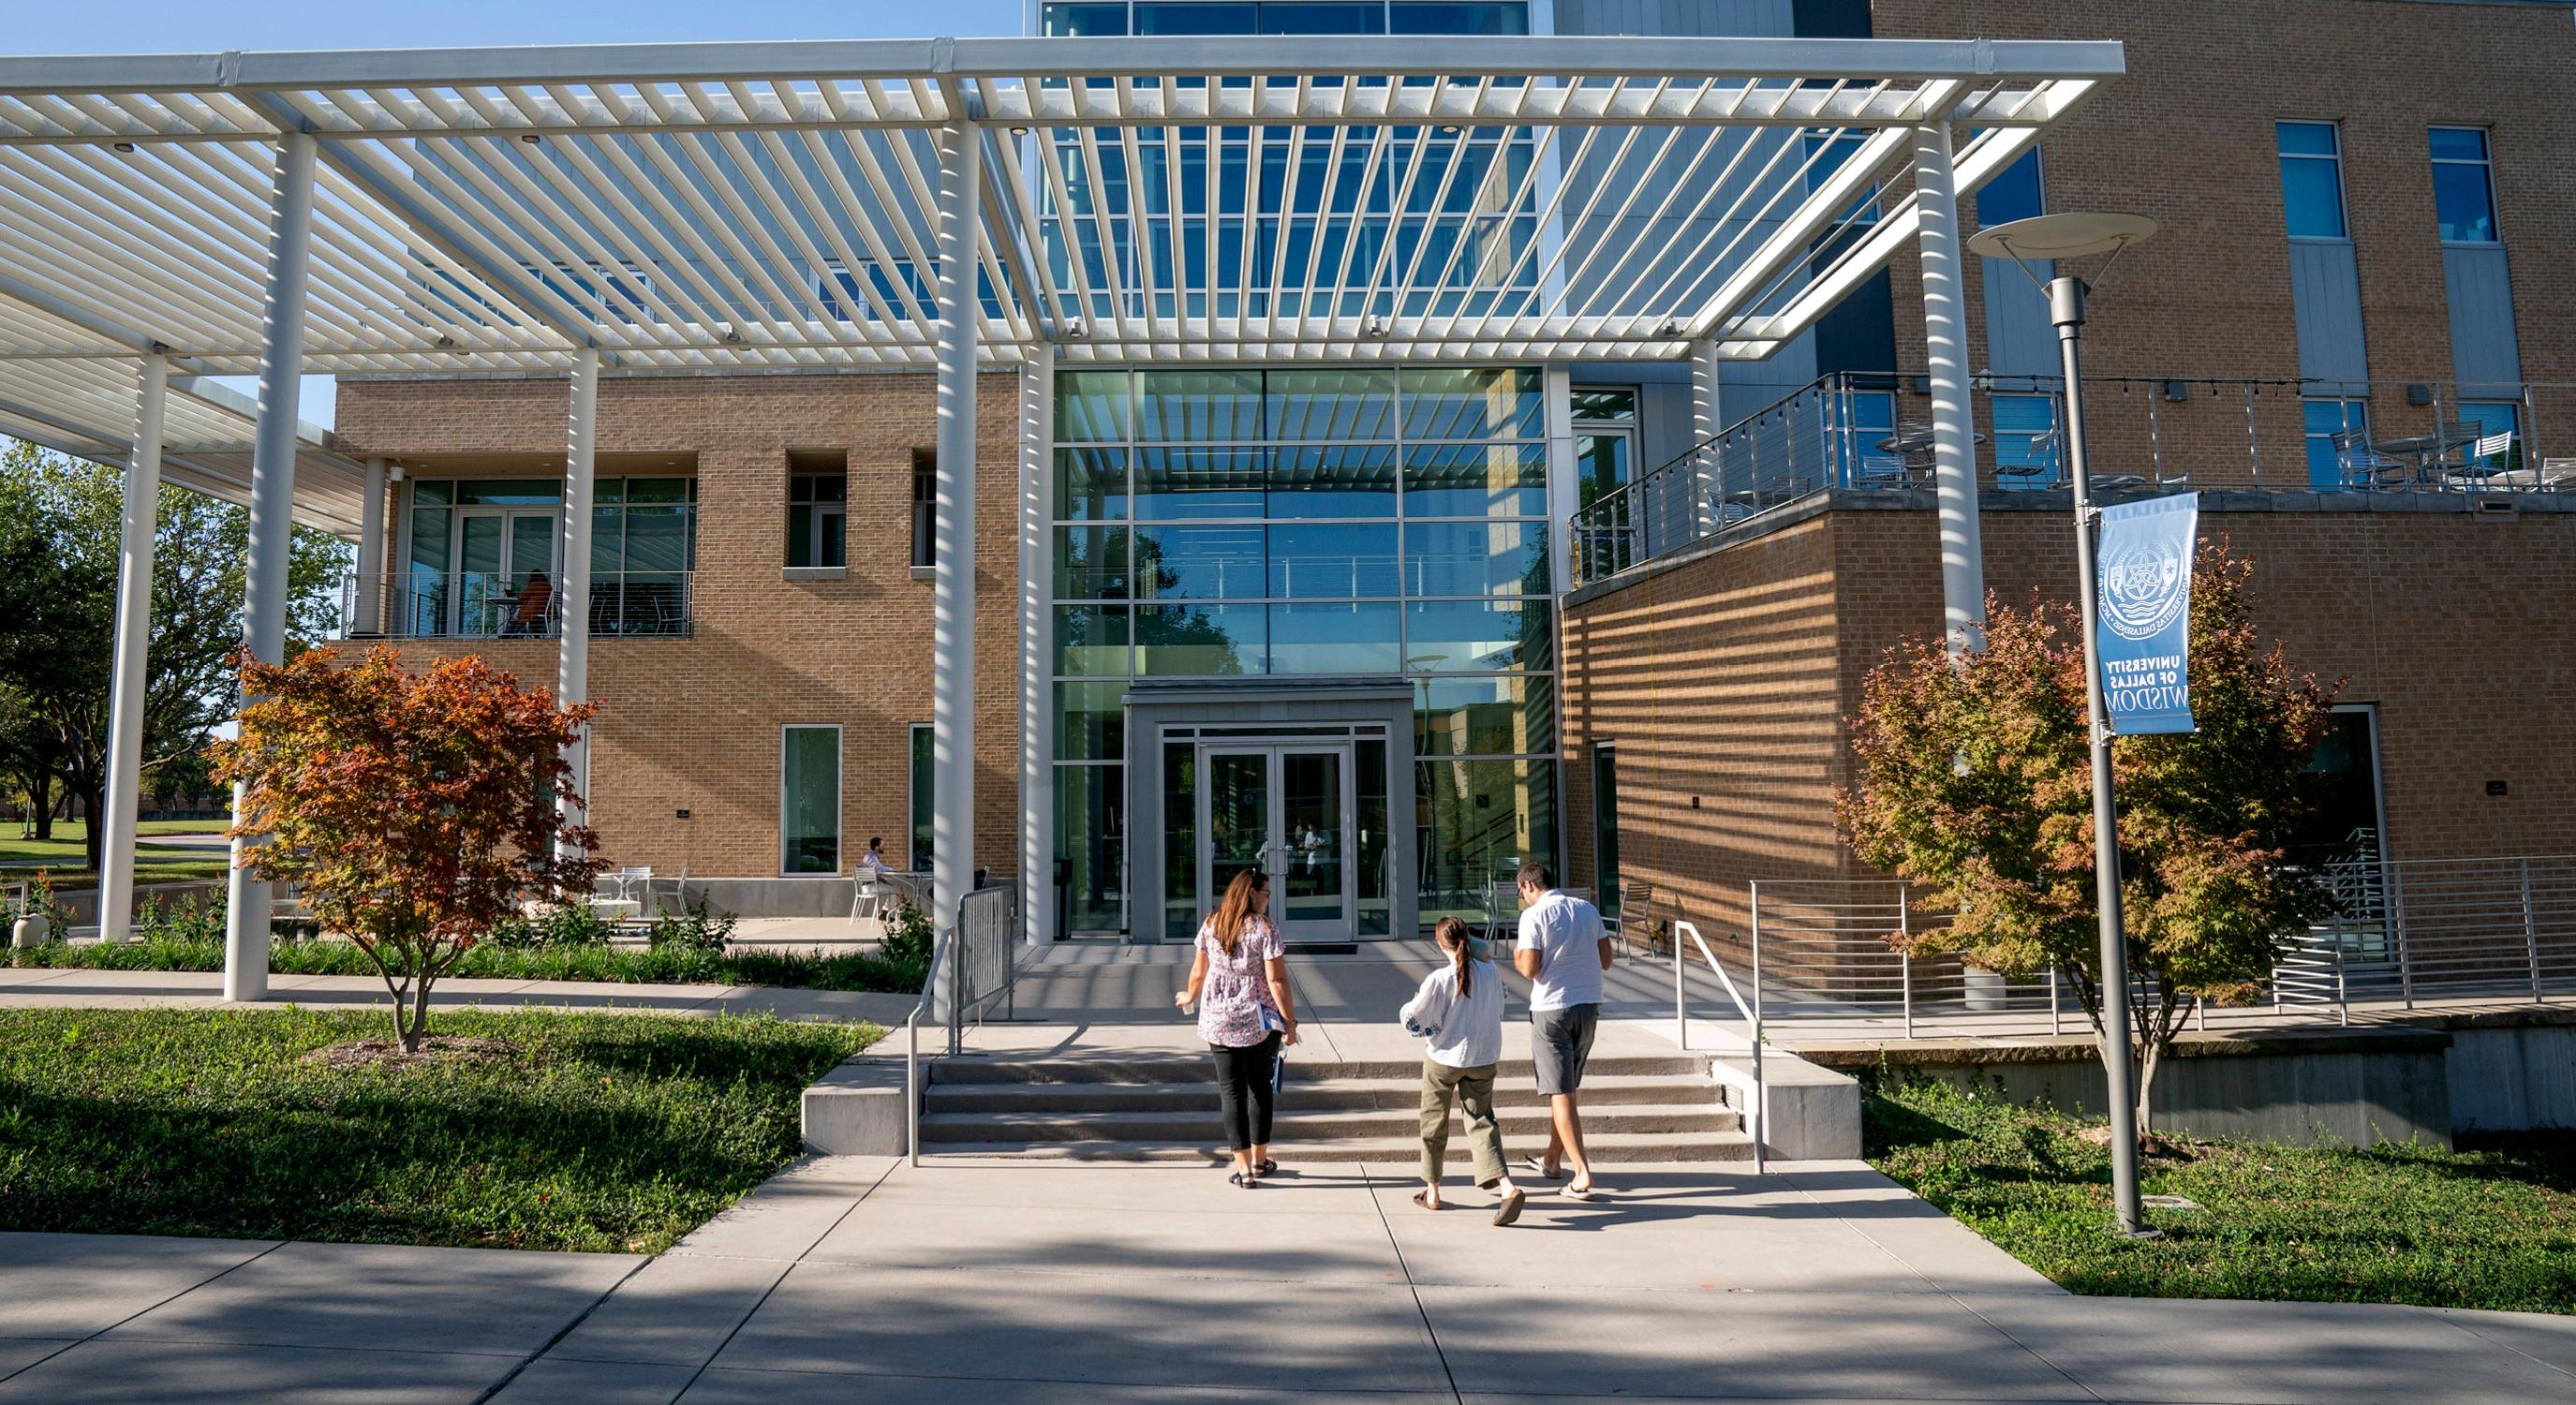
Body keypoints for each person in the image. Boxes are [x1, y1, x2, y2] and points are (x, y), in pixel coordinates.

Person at [1175, 868, 1299, 1187]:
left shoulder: (1212, 923)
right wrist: (1290, 1021)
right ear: (1251, 894)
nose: (1269, 899)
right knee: (1259, 1089)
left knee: (1231, 1093)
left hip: (1219, 1020)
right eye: (1266, 894)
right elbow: (1276, 980)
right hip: (1258, 1021)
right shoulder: (1264, 929)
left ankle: (1243, 1169)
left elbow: (1198, 971)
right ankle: (1259, 1162)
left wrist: (1189, 996)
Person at [1401, 916, 1525, 1225]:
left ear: (1439, 943)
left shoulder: (1439, 978)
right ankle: (1507, 1187)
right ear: (1467, 940)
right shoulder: (1490, 972)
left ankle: (1432, 1191)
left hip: (1445, 1058)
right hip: (1484, 1057)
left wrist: (1414, 1002)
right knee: (1482, 1121)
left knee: (1433, 1122)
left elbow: (1413, 1020)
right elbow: (1502, 1001)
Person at [1512, 861, 1611, 1199]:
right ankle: (1552, 1160)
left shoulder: (1534, 915)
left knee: (1560, 1092)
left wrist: (1515, 954)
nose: (1521, 897)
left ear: (1528, 885)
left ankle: (1582, 1173)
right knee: (1565, 1090)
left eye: (1520, 891)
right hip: (1588, 1007)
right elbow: (1606, 960)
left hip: (1551, 1009)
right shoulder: (1586, 909)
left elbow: (1529, 969)